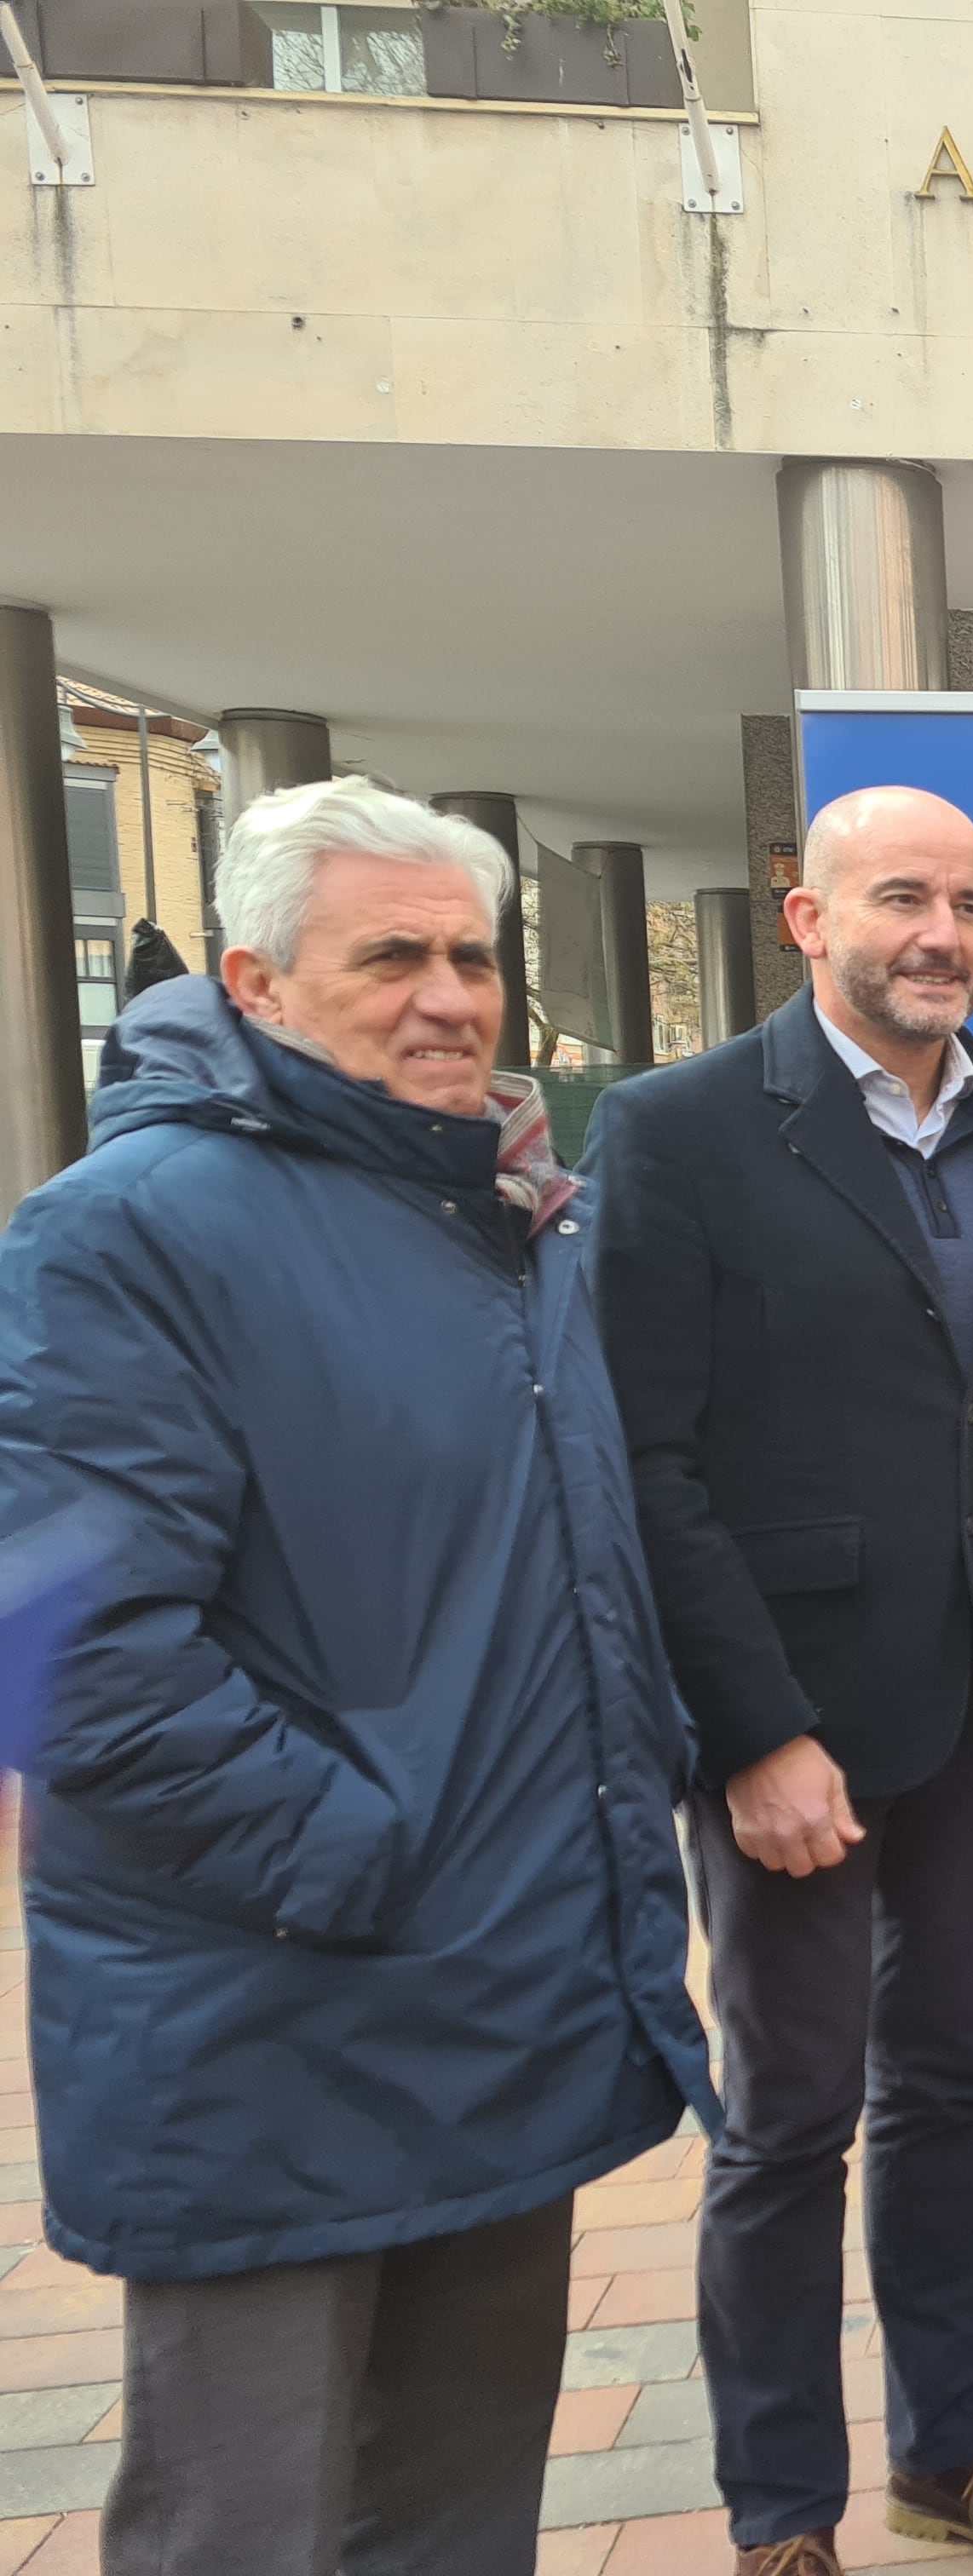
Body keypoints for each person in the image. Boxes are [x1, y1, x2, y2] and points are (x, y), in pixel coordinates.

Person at [0, 778, 717, 2576]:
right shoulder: (123, 1234)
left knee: (458, 2522)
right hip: (270, 2020)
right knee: (247, 2532)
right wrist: (355, 1857)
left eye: (472, 957)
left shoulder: (504, 1219)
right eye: (388, 955)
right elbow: (63, 1660)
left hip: (499, 1996)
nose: (448, 997)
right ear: (253, 982)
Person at [585, 785, 973, 2576]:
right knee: (786, 2121)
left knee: (953, 2083)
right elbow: (644, 1459)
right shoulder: (676, 1129)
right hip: (792, 1727)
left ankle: (949, 2450)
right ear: (808, 918)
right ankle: (779, 2516)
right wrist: (751, 1732)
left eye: (970, 903)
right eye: (902, 896)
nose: (941, 933)